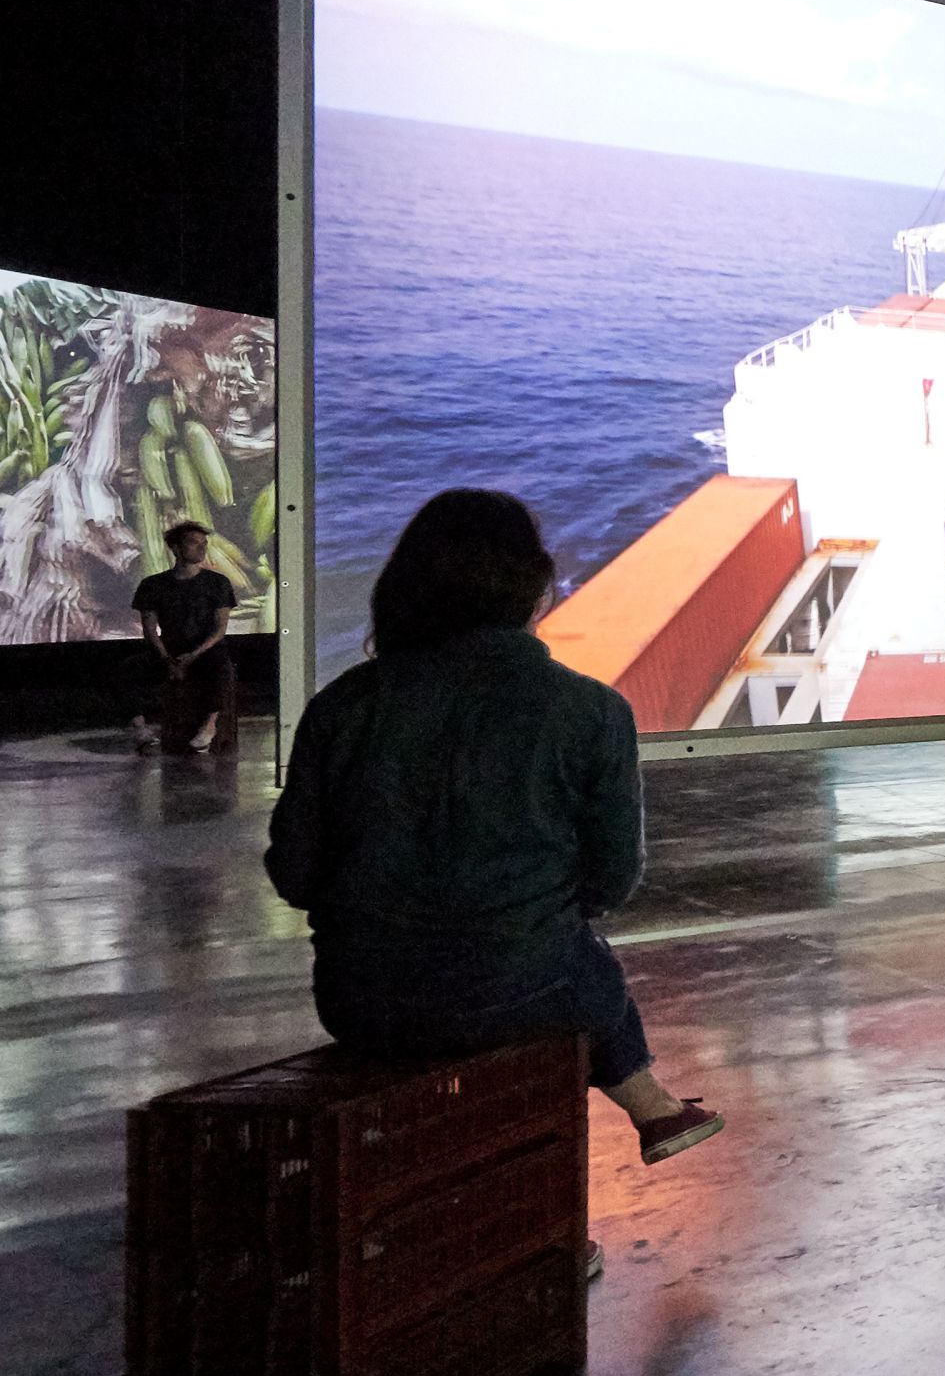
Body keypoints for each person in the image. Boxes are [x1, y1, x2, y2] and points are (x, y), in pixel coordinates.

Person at [264, 489, 725, 1175]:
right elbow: (612, 879)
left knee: (558, 960)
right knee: (576, 962)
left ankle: (630, 1124)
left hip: (361, 1001)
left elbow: (294, 874)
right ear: (534, 589)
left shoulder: (340, 709)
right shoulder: (591, 711)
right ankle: (628, 1128)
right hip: (527, 993)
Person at [130, 521, 241, 755]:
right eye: (194, 543)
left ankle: (209, 727)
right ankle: (141, 729)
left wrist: (192, 656)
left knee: (223, 667)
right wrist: (167, 659)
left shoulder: (217, 583)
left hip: (205, 649)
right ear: (176, 548)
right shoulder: (153, 584)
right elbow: (149, 628)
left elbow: (220, 629)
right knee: (126, 670)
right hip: (169, 648)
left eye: (204, 544)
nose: (201, 549)